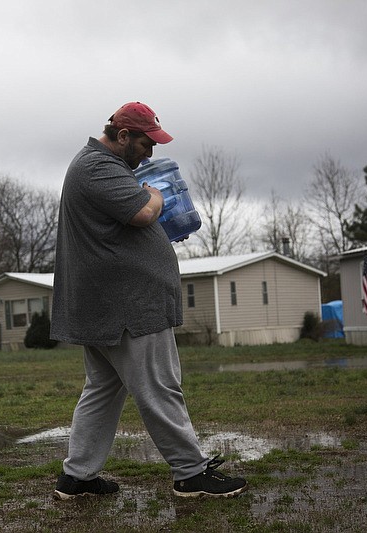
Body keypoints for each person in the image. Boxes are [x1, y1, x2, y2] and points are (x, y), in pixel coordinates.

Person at [50, 102, 248, 500]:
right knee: (160, 387)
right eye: (144, 144)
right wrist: (154, 196)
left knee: (102, 391)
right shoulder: (98, 166)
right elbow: (142, 213)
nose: (149, 153)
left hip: (109, 306)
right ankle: (190, 474)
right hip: (128, 306)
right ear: (123, 136)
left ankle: (78, 477)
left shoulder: (101, 167)